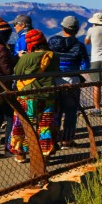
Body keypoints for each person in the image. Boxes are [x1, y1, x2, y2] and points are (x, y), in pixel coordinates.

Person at [9, 29, 59, 163]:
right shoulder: (53, 56)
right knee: (45, 125)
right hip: (48, 95)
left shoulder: (26, 57)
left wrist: (22, 58)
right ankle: (44, 153)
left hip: (28, 95)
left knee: (23, 124)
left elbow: (17, 72)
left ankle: (21, 152)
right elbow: (57, 71)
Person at [49, 16, 89, 147]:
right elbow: (85, 66)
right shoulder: (79, 46)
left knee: (55, 111)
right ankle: (67, 140)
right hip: (72, 81)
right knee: (71, 112)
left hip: (55, 81)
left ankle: (52, 140)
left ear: (62, 27)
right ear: (77, 30)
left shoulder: (52, 42)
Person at [0, 17, 14, 158]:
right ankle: (8, 148)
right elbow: (7, 71)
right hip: (2, 88)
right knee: (10, 117)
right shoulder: (1, 49)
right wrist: (16, 58)